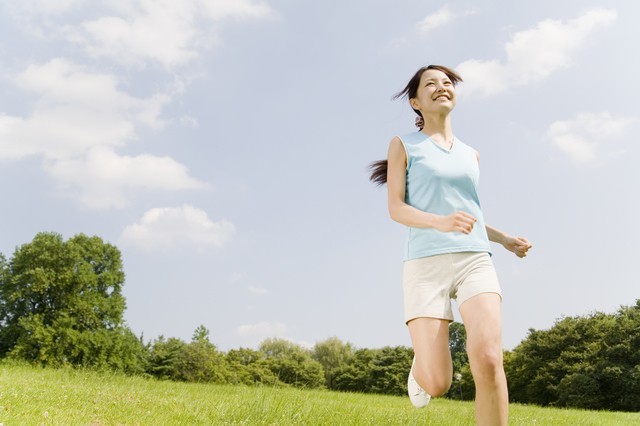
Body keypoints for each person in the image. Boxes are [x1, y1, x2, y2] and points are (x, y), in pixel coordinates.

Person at [369, 65, 532, 426]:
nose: (441, 87)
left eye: (447, 83)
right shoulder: (403, 145)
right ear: (415, 102)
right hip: (425, 263)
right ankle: (422, 365)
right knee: (438, 383)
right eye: (431, 84)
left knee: (489, 359)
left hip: (475, 259)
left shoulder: (471, 154)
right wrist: (439, 221)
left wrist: (505, 240)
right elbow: (396, 208)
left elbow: (468, 214)